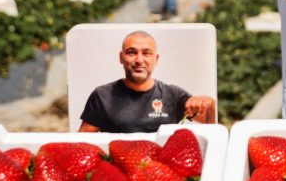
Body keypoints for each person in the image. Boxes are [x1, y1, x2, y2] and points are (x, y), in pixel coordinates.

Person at [79, 30, 216, 132]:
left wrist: (209, 103)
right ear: (121, 57)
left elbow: (212, 127)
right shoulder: (103, 96)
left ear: (156, 59)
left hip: (162, 168)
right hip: (118, 167)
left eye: (146, 53)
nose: (139, 60)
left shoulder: (173, 95)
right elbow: (81, 143)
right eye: (132, 52)